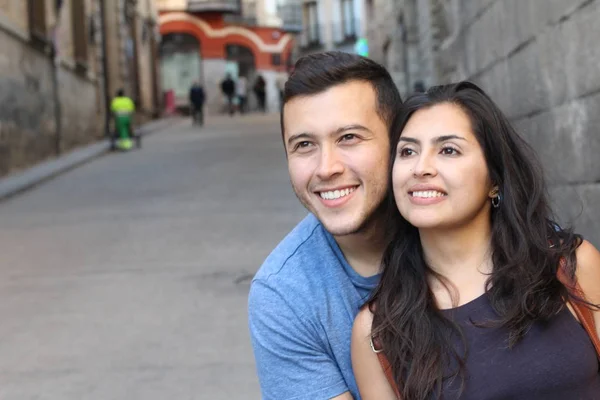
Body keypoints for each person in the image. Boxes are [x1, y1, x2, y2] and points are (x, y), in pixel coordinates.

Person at [351, 82, 600, 399]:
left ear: (494, 180)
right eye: (407, 151)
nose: (420, 168)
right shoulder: (378, 332)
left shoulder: (570, 268)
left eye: (448, 150)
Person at [248, 51, 402, 399]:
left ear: (397, 141)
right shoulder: (284, 294)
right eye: (304, 145)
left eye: (348, 137)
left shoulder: (461, 230)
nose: (326, 168)